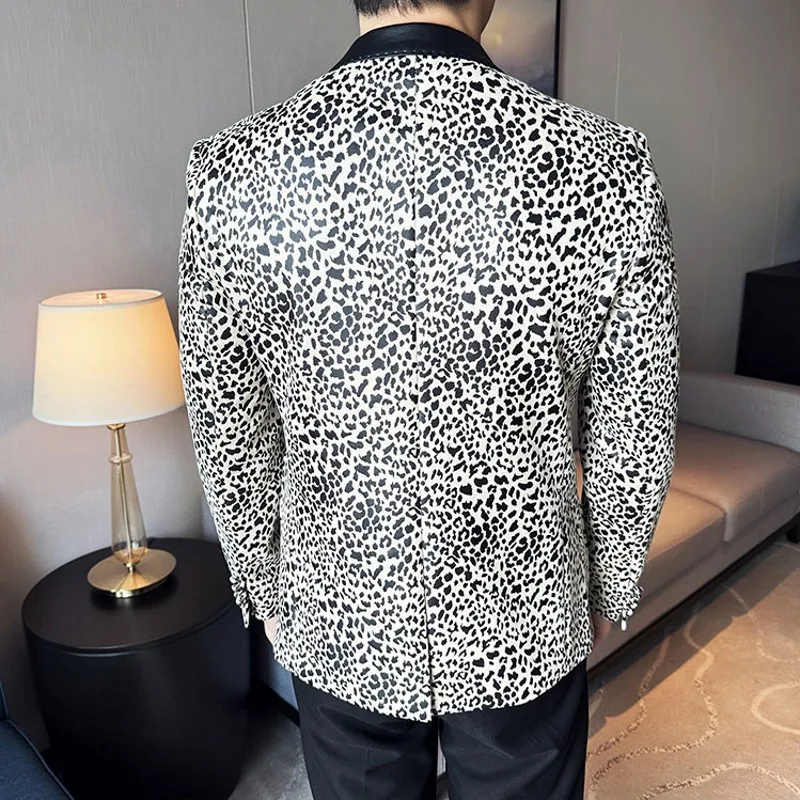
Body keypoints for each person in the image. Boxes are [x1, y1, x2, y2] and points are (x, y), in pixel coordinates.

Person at [176, 0, 681, 797]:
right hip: (525, 607)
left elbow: (228, 425)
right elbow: (635, 426)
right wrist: (609, 580)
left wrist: (265, 587)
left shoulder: (233, 174)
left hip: (338, 611)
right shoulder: (607, 168)